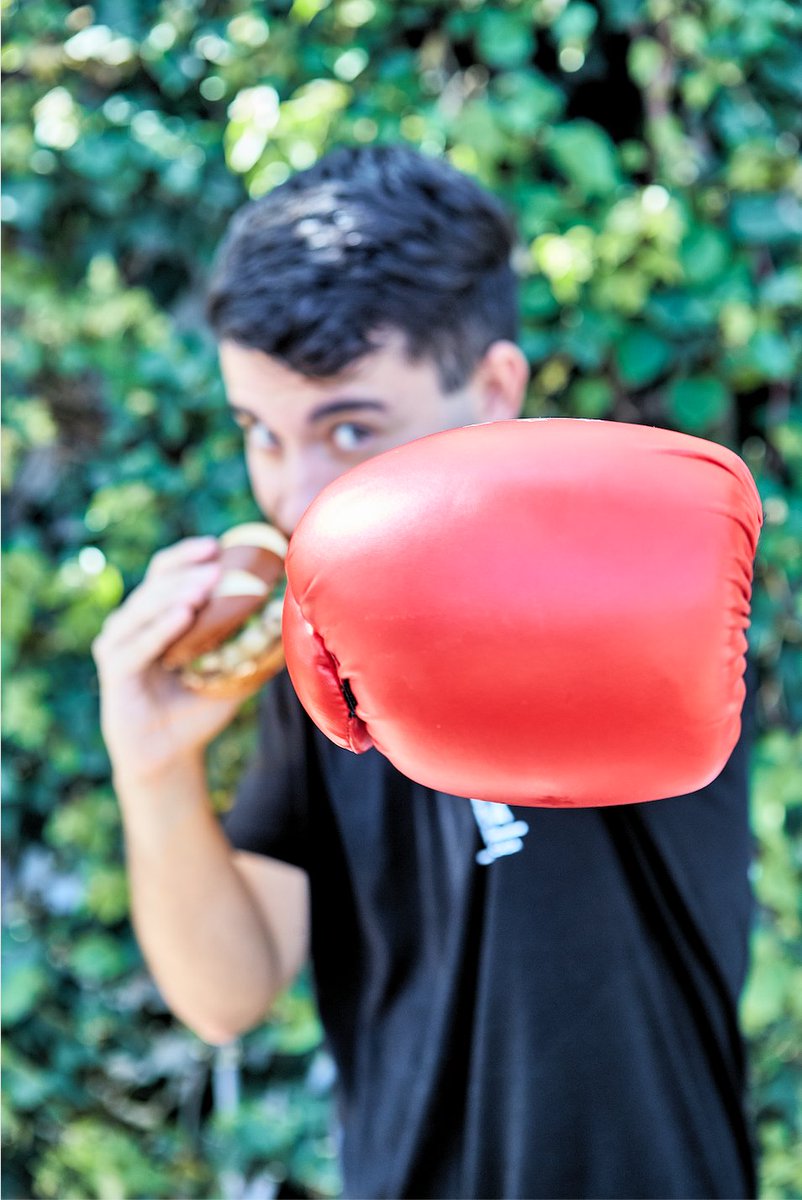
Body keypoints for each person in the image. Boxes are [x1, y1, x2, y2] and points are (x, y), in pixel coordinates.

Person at [93, 144, 758, 1199]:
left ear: (493, 389)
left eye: (348, 428)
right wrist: (153, 770)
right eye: (260, 434)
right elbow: (228, 992)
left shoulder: (634, 585)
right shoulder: (308, 666)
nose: (292, 492)